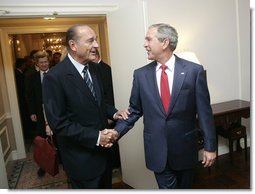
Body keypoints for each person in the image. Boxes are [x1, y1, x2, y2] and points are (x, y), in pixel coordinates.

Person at [112, 23, 217, 189]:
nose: (144, 44)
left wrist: (210, 147)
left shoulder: (193, 71)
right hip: (156, 150)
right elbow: (134, 110)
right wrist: (115, 132)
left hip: (185, 148)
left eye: (148, 39)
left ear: (165, 42)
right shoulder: (140, 75)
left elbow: (204, 113)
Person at [42, 24, 127, 189]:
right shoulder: (55, 77)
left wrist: (115, 113)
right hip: (81, 161)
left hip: (104, 156)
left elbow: (100, 103)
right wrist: (96, 137)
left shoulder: (95, 69)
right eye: (90, 41)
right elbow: (59, 124)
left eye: (95, 40)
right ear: (73, 45)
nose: (96, 45)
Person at [92, 48, 121, 170]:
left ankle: (113, 164)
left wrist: (110, 114)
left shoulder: (104, 69)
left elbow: (108, 94)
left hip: (107, 112)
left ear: (96, 56)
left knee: (110, 140)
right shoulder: (92, 69)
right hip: (102, 113)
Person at [26, 50, 53, 177]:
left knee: (59, 136)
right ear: (37, 64)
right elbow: (29, 96)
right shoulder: (32, 77)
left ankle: (62, 161)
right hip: (40, 112)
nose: (44, 64)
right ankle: (43, 165)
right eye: (41, 62)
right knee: (43, 138)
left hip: (55, 110)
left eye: (46, 62)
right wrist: (32, 112)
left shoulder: (55, 74)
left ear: (49, 61)